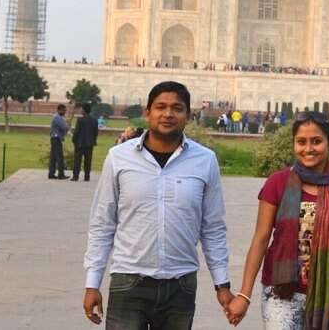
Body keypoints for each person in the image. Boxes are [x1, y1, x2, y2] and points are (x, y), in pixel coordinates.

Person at [83, 81, 232, 328]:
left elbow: (213, 228)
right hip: (129, 281)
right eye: (161, 106)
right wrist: (92, 282)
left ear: (188, 115)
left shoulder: (205, 161)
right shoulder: (120, 158)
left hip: (181, 285)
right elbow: (103, 222)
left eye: (177, 108)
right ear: (148, 112)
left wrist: (222, 284)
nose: (168, 114)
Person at [227, 111, 329, 329]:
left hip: (324, 296)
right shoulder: (277, 183)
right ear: (294, 144)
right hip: (279, 292)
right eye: (301, 142)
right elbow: (261, 240)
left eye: (316, 141)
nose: (308, 149)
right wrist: (244, 294)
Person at [71, 103, 99, 182]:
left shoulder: (80, 120)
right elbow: (96, 132)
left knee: (77, 160)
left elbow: (77, 132)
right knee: (88, 160)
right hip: (90, 144)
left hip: (80, 143)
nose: (80, 110)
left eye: (81, 109)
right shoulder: (94, 120)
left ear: (84, 110)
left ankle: (75, 176)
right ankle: (87, 176)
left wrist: (74, 140)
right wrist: (93, 140)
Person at [49, 104, 69, 179]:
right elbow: (64, 127)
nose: (65, 112)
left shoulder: (58, 117)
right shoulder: (57, 117)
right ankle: (61, 174)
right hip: (56, 139)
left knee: (53, 157)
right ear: (59, 110)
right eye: (64, 110)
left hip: (55, 138)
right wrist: (66, 124)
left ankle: (51, 174)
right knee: (59, 157)